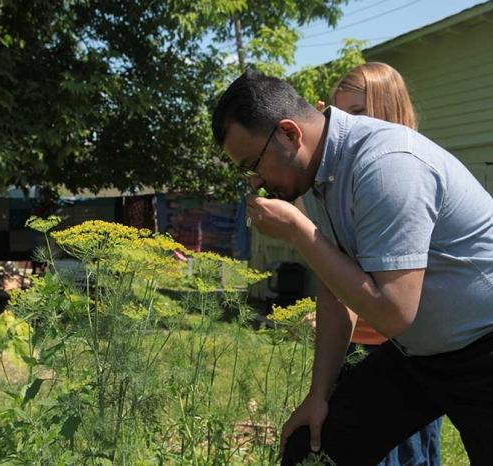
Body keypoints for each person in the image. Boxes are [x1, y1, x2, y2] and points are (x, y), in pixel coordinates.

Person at [211, 69, 493, 465]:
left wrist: (299, 233)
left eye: (252, 163)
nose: (255, 181)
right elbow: (336, 294)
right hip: (420, 355)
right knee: (311, 447)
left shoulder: (386, 165)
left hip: (484, 350)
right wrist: (317, 397)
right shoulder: (323, 173)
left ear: (289, 135)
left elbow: (394, 313)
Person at [317, 62, 442, 466]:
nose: (346, 127)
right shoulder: (344, 182)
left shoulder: (406, 173)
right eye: (339, 115)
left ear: (389, 110)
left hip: (408, 358)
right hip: (356, 348)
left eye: (357, 113)